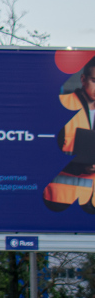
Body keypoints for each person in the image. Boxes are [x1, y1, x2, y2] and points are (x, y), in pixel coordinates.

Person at [44, 56, 95, 212]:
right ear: (83, 79)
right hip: (61, 202)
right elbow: (42, 153)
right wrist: (80, 167)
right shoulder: (60, 104)